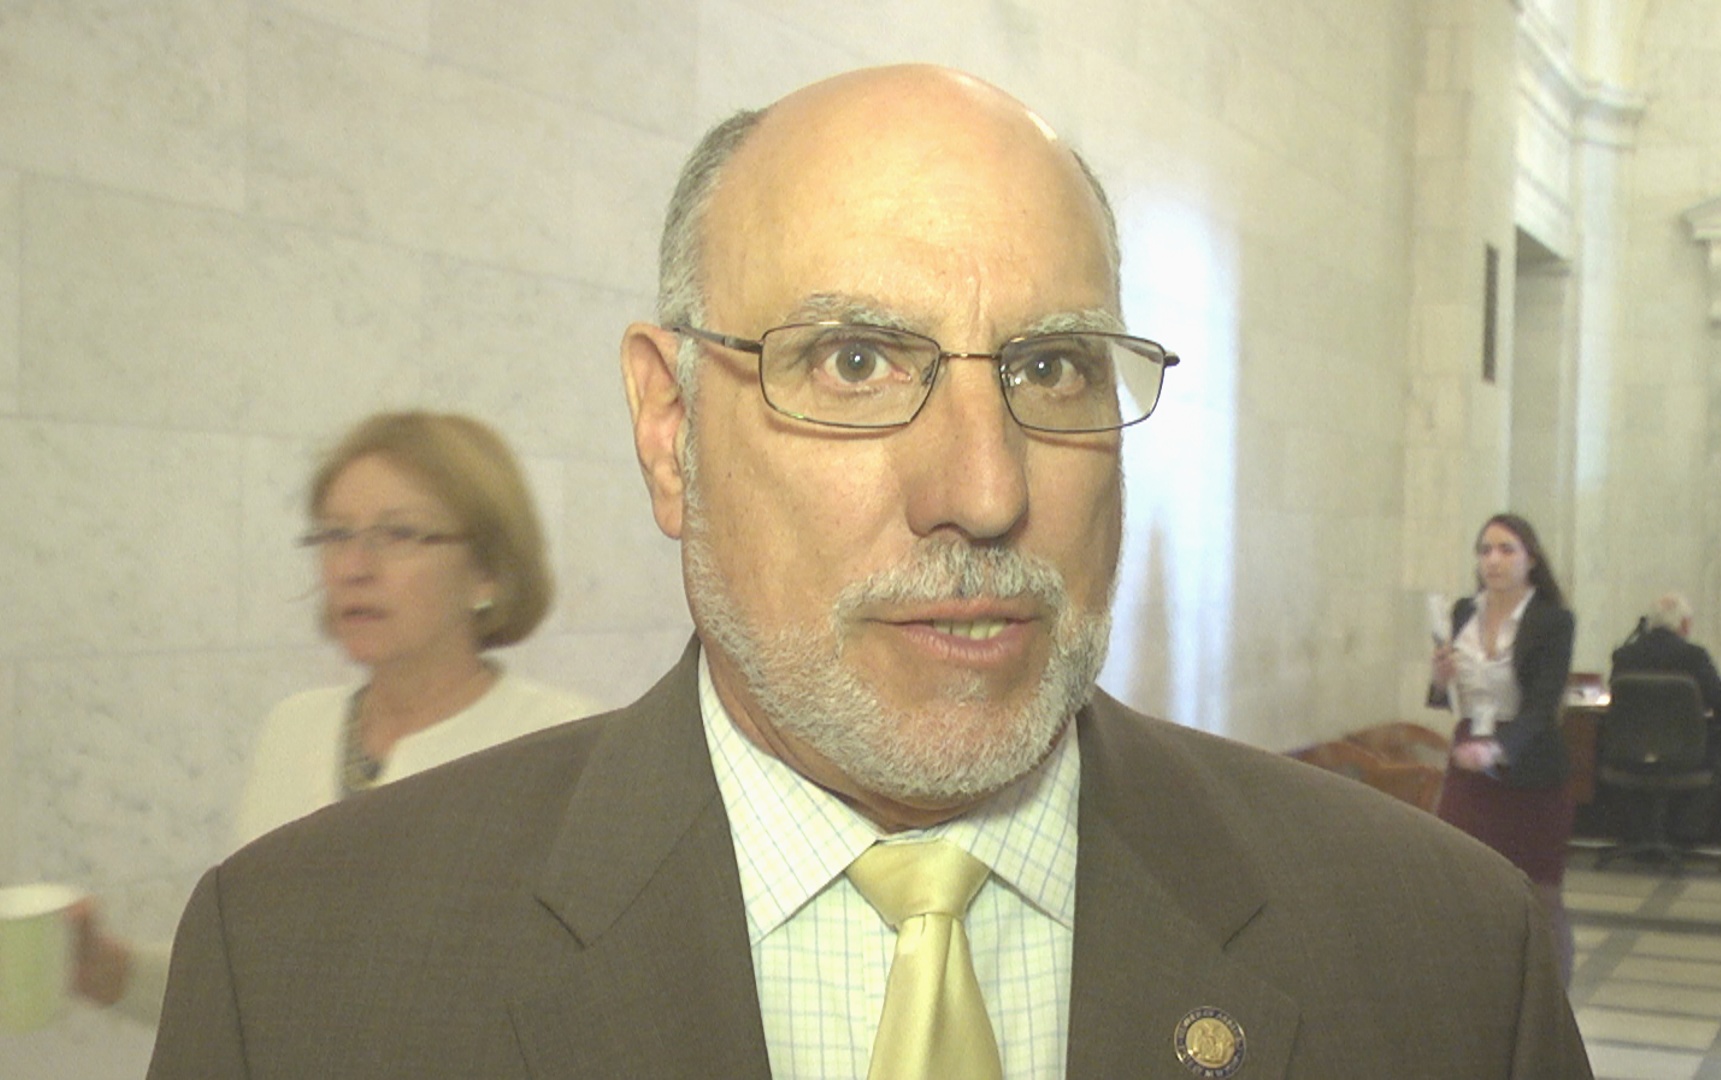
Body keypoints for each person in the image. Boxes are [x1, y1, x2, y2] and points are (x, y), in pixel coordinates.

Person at [148, 66, 1591, 1078]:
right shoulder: (299, 973)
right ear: (669, 430)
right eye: (854, 361)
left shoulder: (1448, 962)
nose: (983, 489)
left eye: (1051, 366)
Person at [70, 410, 601, 1023]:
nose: (353, 567)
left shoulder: (565, 747)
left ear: (487, 570)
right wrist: (108, 972)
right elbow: (250, 992)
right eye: (335, 535)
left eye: (398, 534)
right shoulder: (294, 728)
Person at [1428, 512, 1577, 984]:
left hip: (1529, 766)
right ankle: (1477, 984)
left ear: (1530, 559)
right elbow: (1449, 698)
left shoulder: (1552, 621)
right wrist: (1439, 681)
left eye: (1506, 549)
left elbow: (1543, 708)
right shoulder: (1462, 612)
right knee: (1459, 879)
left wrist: (1497, 750)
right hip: (1468, 760)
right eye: (1485, 550)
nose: (1493, 560)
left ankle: (1551, 995)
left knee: (1539, 894)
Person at [1608, 592, 1721, 842]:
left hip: (1630, 755)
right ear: (1684, 625)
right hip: (1687, 757)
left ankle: (1636, 833)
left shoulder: (1624, 656)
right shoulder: (1693, 656)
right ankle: (1687, 834)